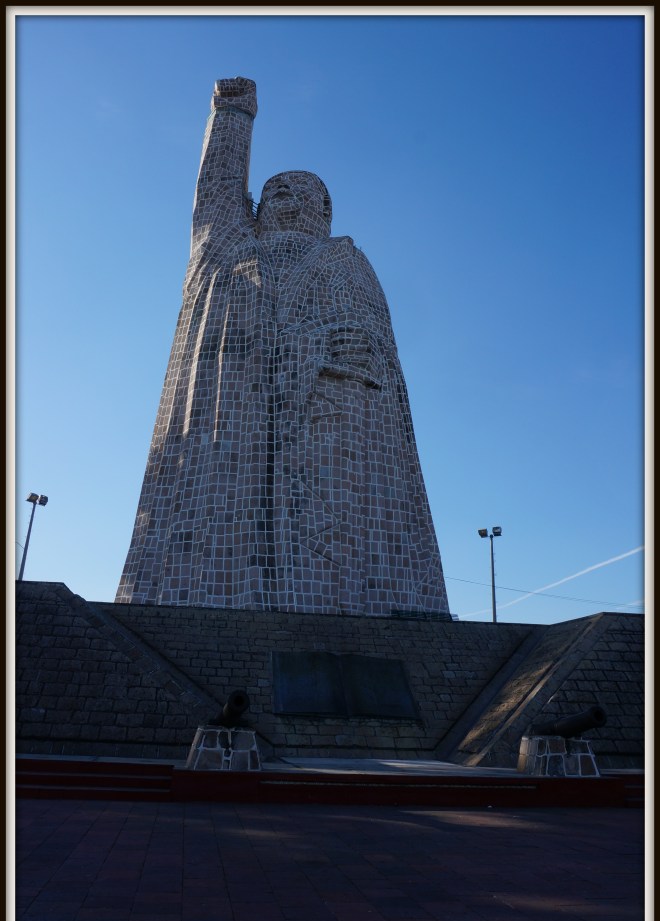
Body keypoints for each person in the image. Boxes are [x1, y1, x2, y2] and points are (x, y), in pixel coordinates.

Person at [116, 77, 449, 617]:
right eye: (278, 193)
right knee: (225, 536)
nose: (292, 203)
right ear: (256, 208)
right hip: (227, 430)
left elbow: (379, 361)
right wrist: (232, 113)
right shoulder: (229, 247)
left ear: (327, 210)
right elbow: (216, 192)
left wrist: (345, 359)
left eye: (305, 195)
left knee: (335, 566)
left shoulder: (349, 263)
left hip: (332, 439)